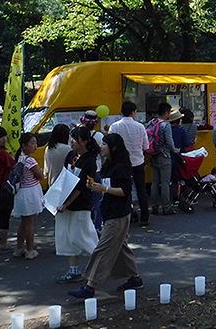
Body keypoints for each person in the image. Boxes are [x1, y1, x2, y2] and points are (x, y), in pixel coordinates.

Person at [67, 134, 143, 298]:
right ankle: (135, 278)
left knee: (103, 249)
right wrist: (94, 186)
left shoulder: (121, 167)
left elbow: (125, 191)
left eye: (105, 145)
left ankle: (90, 286)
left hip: (119, 213)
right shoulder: (108, 164)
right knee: (121, 247)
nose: (101, 147)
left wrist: (104, 189)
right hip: (110, 212)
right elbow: (106, 186)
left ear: (113, 148)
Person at [56, 126, 100, 283]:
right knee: (66, 238)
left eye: (75, 139)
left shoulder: (90, 160)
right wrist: (55, 199)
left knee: (81, 236)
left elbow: (81, 187)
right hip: (65, 204)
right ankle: (74, 271)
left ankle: (101, 264)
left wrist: (66, 204)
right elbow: (64, 177)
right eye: (71, 138)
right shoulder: (71, 155)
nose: (72, 141)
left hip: (80, 204)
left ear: (85, 142)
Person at [109, 101, 150, 226]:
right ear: (133, 112)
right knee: (141, 189)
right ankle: (144, 217)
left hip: (121, 164)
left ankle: (127, 214)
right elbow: (146, 146)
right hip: (138, 162)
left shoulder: (115, 126)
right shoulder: (140, 127)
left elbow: (110, 144)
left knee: (123, 190)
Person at [12, 133, 44, 260]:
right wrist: (41, 171)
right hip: (30, 193)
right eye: (32, 143)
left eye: (35, 143)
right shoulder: (30, 160)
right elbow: (40, 176)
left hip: (22, 192)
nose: (35, 146)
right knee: (30, 223)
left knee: (24, 223)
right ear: (24, 145)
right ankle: (30, 250)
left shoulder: (19, 158)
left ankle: (19, 248)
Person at [148, 102, 180, 216]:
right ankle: (166, 207)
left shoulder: (151, 122)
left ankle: (154, 207)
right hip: (164, 156)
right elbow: (169, 141)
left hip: (153, 155)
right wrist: (174, 150)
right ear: (166, 113)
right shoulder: (166, 125)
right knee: (165, 183)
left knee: (155, 182)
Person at [170, 109, 190, 203]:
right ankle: (183, 196)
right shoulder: (181, 130)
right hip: (180, 157)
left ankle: (174, 198)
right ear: (178, 120)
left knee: (172, 179)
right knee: (183, 177)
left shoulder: (167, 129)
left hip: (169, 158)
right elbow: (187, 143)